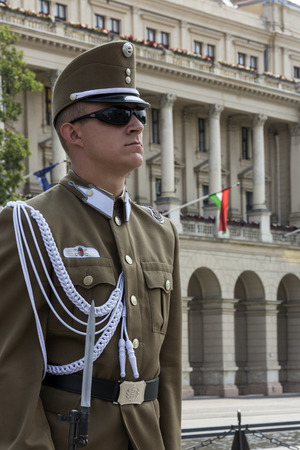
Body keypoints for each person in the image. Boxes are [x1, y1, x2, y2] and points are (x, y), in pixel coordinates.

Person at [0, 40, 182, 450]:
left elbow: (166, 370)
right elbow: (12, 370)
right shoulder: (30, 224)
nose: (136, 126)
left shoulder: (160, 232)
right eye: (117, 115)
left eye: (139, 114)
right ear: (73, 133)